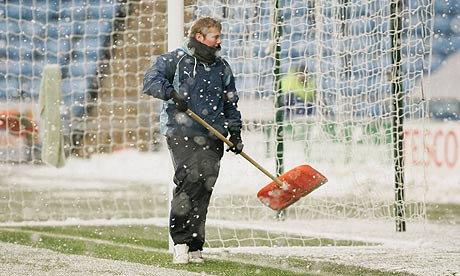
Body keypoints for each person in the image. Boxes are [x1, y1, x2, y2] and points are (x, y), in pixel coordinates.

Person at [142, 16, 243, 264]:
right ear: (200, 37)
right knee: (189, 181)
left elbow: (231, 103)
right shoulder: (174, 60)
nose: (219, 41)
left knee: (204, 187)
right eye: (215, 36)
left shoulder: (222, 67)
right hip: (180, 131)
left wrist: (236, 132)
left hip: (213, 134)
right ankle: (180, 243)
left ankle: (196, 245)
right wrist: (172, 94)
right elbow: (150, 82)